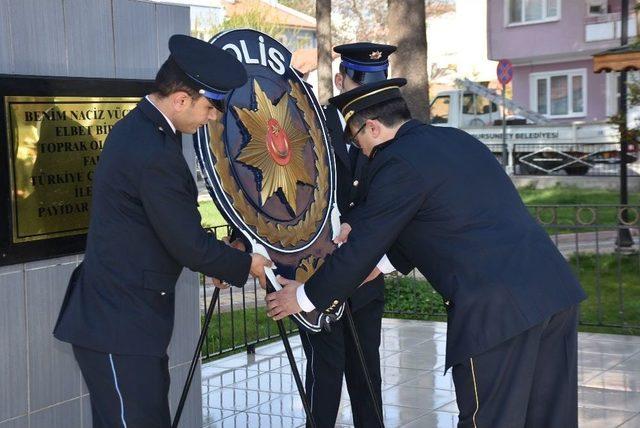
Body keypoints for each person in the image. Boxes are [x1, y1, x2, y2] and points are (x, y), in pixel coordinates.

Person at [267, 78, 586, 428]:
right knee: (550, 417)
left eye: (356, 139)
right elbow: (447, 218)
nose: (360, 149)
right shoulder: (453, 139)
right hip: (553, 291)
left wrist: (305, 297)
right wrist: (384, 264)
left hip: (498, 310)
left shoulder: (397, 162)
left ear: (371, 127)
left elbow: (363, 246)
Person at [53, 34, 271, 428]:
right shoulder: (153, 151)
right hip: (118, 326)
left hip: (128, 323)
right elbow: (188, 244)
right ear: (181, 100)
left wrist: (217, 259)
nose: (214, 117)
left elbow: (166, 229)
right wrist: (246, 263)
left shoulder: (145, 131)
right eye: (211, 107)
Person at [295, 42, 397, 428]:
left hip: (366, 277)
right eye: (358, 87)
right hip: (320, 273)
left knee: (367, 372)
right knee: (325, 374)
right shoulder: (310, 127)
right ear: (339, 81)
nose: (368, 98)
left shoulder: (385, 131)